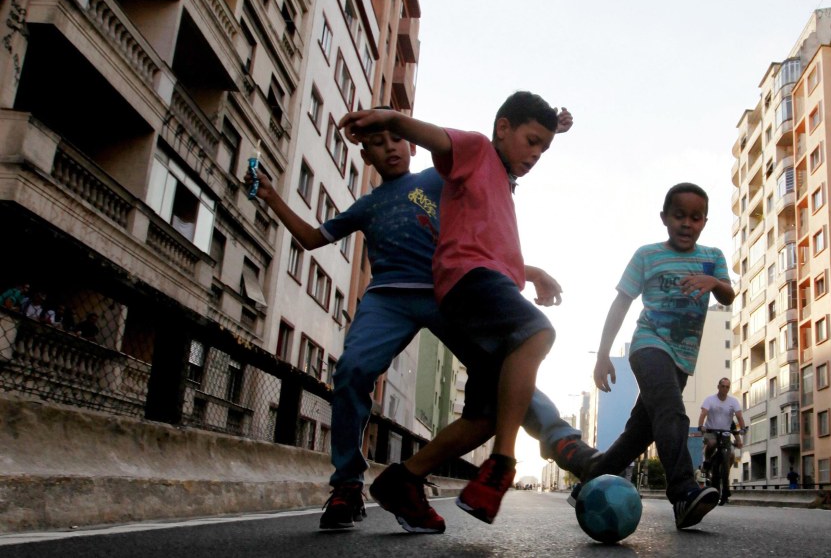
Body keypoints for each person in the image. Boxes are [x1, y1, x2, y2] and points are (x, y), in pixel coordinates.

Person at [249, 104, 596, 532]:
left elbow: (483, 213)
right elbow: (309, 238)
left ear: (411, 146)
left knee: (507, 361)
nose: (389, 148)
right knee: (353, 370)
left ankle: (560, 439)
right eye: (378, 144)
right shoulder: (365, 206)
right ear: (367, 156)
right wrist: (271, 197)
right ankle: (347, 485)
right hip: (389, 297)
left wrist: (551, 133)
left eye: (395, 139)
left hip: (445, 288)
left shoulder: (438, 177)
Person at [338, 92, 570, 526]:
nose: (536, 155)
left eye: (544, 149)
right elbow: (438, 139)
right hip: (468, 280)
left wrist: (553, 124)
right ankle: (501, 466)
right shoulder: (479, 149)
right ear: (503, 128)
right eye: (531, 142)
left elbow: (501, 239)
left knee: (485, 415)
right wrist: (391, 119)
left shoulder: (501, 180)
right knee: (538, 331)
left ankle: (403, 480)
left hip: (489, 281)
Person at [583, 182, 734, 530]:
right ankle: (682, 491)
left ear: (704, 222)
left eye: (695, 218)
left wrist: (713, 284)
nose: (686, 224)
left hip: (682, 359)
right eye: (679, 215)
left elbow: (728, 296)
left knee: (639, 433)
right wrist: (603, 354)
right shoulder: (647, 255)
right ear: (664, 217)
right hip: (648, 346)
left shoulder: (713, 258)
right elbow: (621, 302)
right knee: (671, 411)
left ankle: (589, 479)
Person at [697, 376, 746, 505]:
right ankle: (707, 461)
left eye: (727, 387)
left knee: (730, 454)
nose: (725, 389)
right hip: (711, 432)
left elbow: (738, 419)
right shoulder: (710, 400)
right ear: (718, 387)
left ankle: (725, 482)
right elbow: (703, 414)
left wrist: (743, 429)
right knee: (712, 443)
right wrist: (701, 426)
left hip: (725, 434)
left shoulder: (733, 402)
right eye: (722, 386)